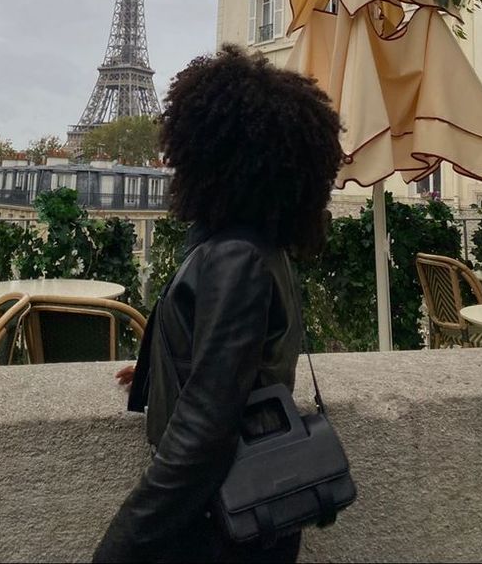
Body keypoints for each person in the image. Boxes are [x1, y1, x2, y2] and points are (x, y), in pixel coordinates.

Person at [92, 44, 343, 564]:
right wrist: (164, 365)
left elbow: (205, 430)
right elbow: (237, 361)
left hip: (219, 526)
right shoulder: (258, 246)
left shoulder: (234, 258)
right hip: (248, 518)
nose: (172, 162)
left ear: (215, 156)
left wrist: (120, 546)